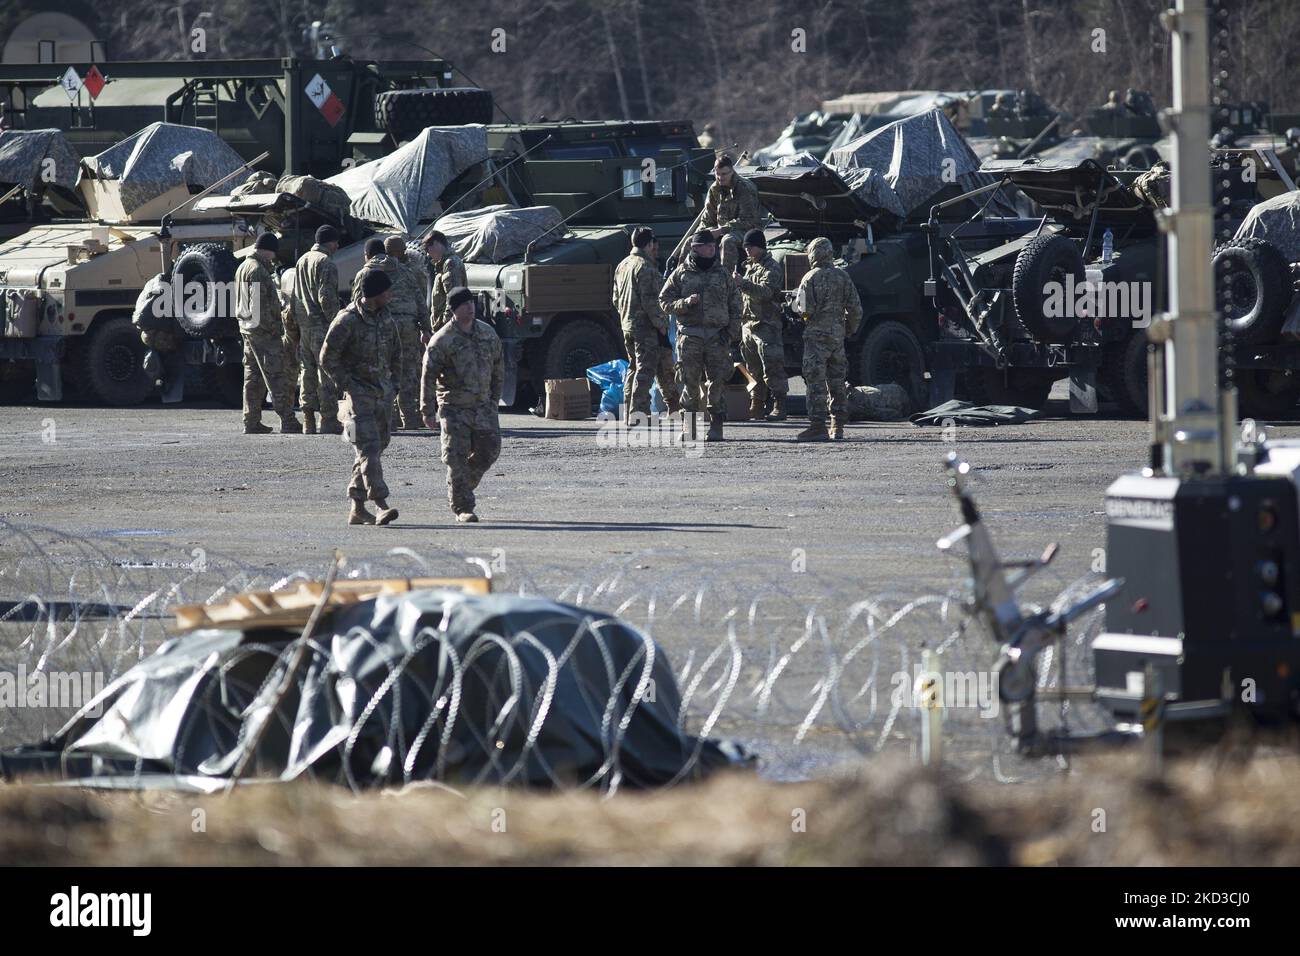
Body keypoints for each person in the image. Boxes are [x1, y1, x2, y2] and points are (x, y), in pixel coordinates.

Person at [320, 270, 402, 526]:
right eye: (386, 291)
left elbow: (397, 354)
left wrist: (394, 385)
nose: (390, 295)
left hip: (383, 395)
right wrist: (349, 386)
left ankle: (357, 507)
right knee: (368, 449)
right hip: (359, 398)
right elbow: (327, 359)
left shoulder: (386, 317)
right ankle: (380, 504)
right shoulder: (347, 320)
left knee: (375, 449)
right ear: (375, 294)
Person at [421, 287, 503, 523]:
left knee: (490, 450)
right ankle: (463, 506)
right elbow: (428, 376)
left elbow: (499, 366)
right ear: (453, 309)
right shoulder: (442, 340)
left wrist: (494, 399)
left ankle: (461, 485)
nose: (470, 307)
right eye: (464, 304)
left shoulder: (487, 333)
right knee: (456, 457)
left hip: (483, 406)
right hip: (454, 408)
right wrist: (427, 410)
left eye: (472, 303)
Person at [659, 230, 742, 442]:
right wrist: (684, 303)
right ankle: (691, 428)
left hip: (717, 337)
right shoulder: (681, 274)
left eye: (713, 246)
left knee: (717, 382)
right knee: (690, 383)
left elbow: (736, 304)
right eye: (707, 246)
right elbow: (664, 301)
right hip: (690, 337)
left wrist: (732, 332)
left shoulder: (723, 274)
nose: (712, 248)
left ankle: (716, 426)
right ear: (695, 248)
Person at [793, 237, 861, 442]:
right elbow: (856, 309)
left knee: (816, 382)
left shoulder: (810, 277)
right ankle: (837, 426)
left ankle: (817, 426)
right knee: (837, 381)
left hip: (816, 339)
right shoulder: (843, 277)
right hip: (837, 338)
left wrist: (796, 307)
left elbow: (805, 309)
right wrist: (847, 329)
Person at [235, 232, 301, 434]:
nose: (273, 257)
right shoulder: (258, 271)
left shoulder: (243, 267)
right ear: (268, 250)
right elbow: (260, 306)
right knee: (276, 376)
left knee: (253, 377)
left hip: (248, 329)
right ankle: (288, 420)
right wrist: (274, 328)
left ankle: (251, 420)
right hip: (263, 332)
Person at [613, 226, 679, 419]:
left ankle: (633, 412)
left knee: (635, 368)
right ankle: (638, 414)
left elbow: (616, 299)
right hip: (647, 328)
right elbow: (651, 301)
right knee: (645, 371)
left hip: (628, 326)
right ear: (650, 244)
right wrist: (661, 324)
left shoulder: (623, 264)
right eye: (654, 244)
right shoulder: (645, 267)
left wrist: (627, 316)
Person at [292, 225, 342, 434]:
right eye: (336, 242)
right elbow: (327, 298)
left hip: (305, 325)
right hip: (321, 325)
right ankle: (328, 419)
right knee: (326, 372)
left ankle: (308, 420)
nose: (338, 246)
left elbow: (294, 295)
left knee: (307, 371)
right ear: (330, 242)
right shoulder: (326, 263)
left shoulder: (302, 260)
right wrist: (337, 322)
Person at [734, 228, 788, 421]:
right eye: (745, 247)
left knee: (772, 367)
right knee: (752, 369)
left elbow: (767, 292)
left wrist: (743, 284)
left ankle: (779, 405)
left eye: (751, 246)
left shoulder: (771, 267)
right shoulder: (750, 267)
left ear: (760, 247)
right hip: (748, 324)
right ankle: (756, 405)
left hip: (766, 325)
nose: (747, 250)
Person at [383, 235, 432, 430]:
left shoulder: (376, 271)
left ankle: (392, 417)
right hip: (408, 327)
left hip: (386, 325)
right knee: (408, 372)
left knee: (387, 370)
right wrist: (425, 327)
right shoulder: (410, 272)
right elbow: (421, 301)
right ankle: (410, 417)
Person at [699, 154, 764, 273]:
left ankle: (726, 280)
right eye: (717, 174)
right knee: (693, 240)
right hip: (721, 229)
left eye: (724, 174)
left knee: (728, 240)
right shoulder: (715, 189)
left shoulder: (744, 188)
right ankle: (686, 277)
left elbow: (748, 220)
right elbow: (707, 217)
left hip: (747, 231)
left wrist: (721, 230)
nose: (720, 178)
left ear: (732, 171)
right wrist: (702, 233)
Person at [421, 231, 467, 332]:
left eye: (427, 249)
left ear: (437, 243)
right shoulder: (443, 264)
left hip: (448, 326)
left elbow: (453, 297)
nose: (428, 254)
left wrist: (446, 324)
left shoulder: (450, 263)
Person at [350, 237, 394, 302]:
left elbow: (357, 300)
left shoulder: (364, 273)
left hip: (380, 311)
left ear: (368, 255)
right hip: (408, 310)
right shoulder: (401, 267)